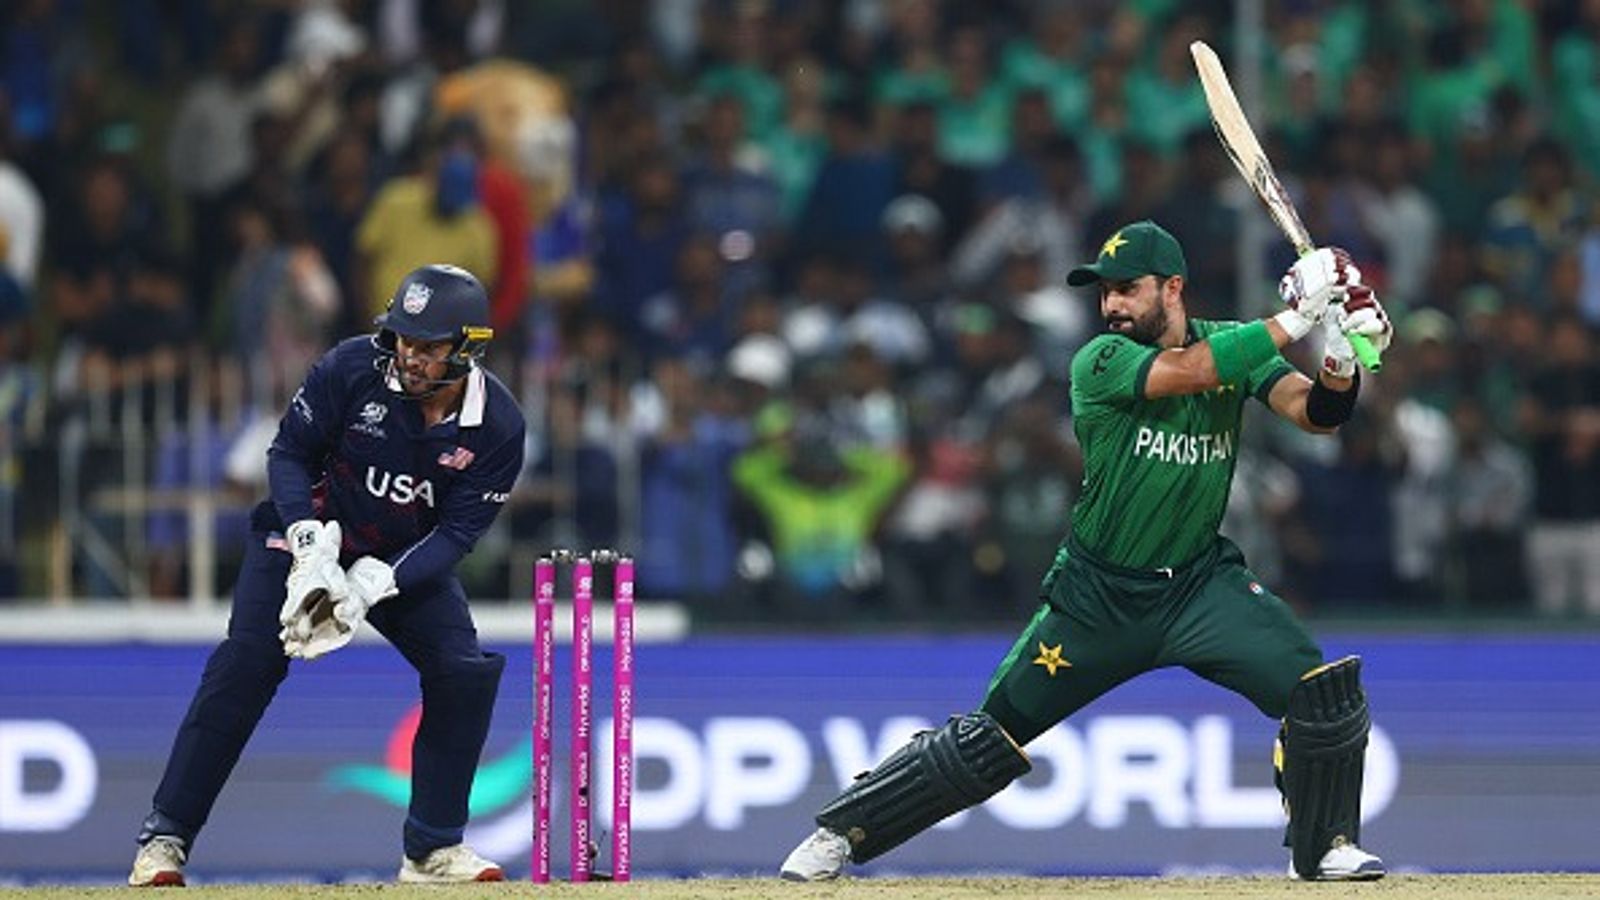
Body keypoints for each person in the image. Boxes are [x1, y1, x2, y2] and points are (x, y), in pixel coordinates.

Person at [779, 220, 1395, 882]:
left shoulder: (1232, 345)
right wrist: (1299, 312)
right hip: (1097, 599)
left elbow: (1318, 416)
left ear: (1173, 287)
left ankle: (1325, 846)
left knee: (1319, 694)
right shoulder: (1100, 361)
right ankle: (839, 831)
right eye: (1105, 294)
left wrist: (1337, 354)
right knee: (989, 739)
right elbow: (1191, 372)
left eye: (1128, 290)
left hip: (1198, 586)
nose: (1112, 307)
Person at [128, 264, 525, 885]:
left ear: (468, 349)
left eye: (429, 347)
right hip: (306, 535)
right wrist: (310, 547)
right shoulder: (351, 367)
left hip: (395, 560)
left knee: (463, 671)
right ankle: (164, 837)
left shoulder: (499, 426)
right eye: (403, 340)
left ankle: (432, 849)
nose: (410, 358)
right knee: (249, 661)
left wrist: (372, 583)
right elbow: (288, 453)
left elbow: (455, 535)